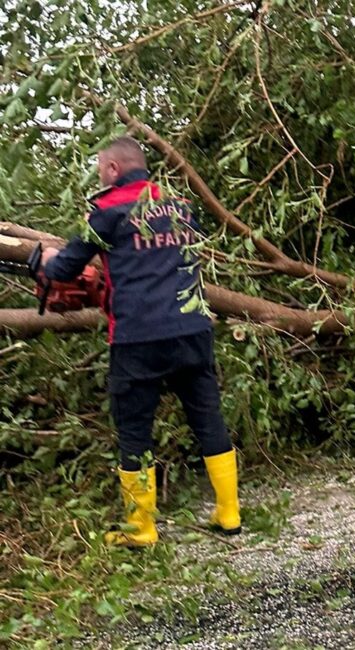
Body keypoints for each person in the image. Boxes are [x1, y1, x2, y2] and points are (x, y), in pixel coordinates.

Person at [42, 136, 240, 547]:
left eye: (101, 168)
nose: (100, 175)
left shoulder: (106, 212)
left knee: (134, 430)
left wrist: (37, 260)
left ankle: (142, 529)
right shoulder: (181, 207)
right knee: (208, 419)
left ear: (113, 170)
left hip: (137, 337)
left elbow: (64, 268)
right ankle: (229, 513)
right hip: (192, 328)